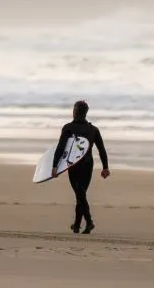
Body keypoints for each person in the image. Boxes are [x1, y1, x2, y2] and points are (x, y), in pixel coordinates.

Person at [51, 100, 109, 234]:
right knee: (81, 193)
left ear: (75, 112)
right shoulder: (93, 129)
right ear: (86, 113)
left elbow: (61, 148)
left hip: (73, 164)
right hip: (88, 164)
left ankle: (89, 221)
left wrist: (55, 166)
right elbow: (101, 149)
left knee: (80, 193)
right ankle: (77, 225)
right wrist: (105, 167)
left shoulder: (68, 128)